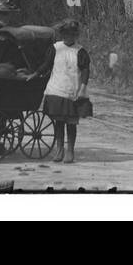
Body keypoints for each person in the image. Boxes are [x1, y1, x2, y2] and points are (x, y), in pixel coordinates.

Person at [29, 18, 90, 164]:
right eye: (66, 34)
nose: (69, 37)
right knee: (59, 122)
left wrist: (82, 88)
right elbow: (47, 64)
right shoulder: (56, 48)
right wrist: (36, 74)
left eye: (72, 34)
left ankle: (70, 151)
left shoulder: (80, 51)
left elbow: (85, 71)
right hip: (57, 89)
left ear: (76, 35)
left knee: (71, 123)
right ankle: (59, 149)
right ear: (62, 34)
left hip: (72, 90)